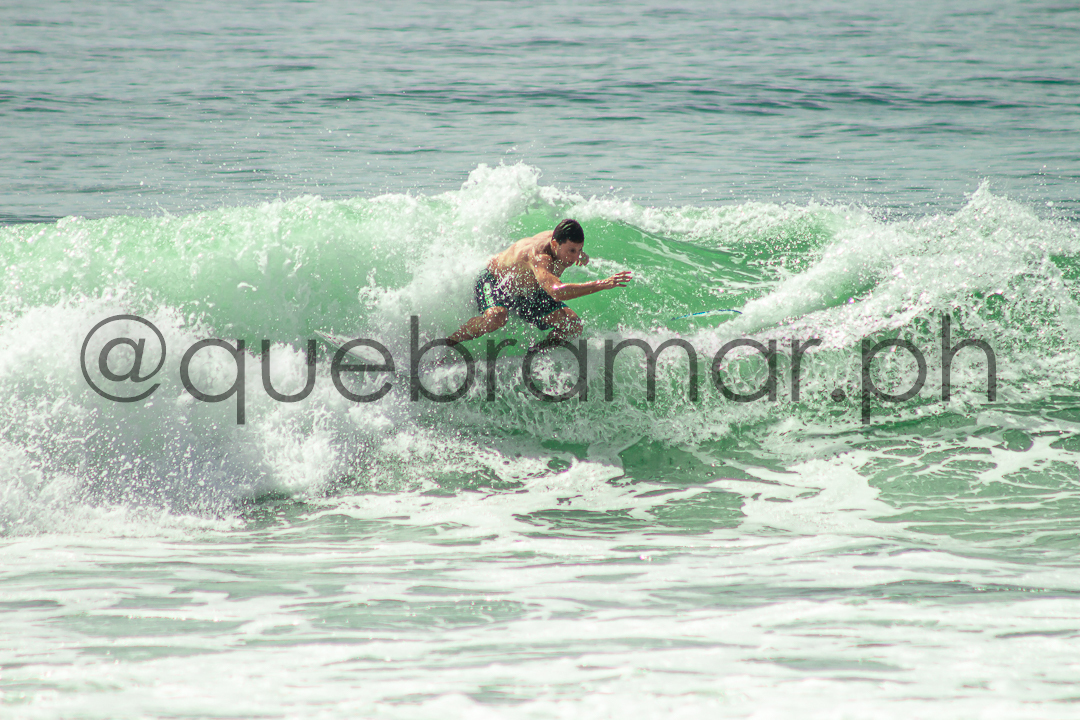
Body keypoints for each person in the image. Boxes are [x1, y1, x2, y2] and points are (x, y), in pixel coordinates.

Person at [447, 219, 632, 354]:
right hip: (496, 283)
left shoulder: (558, 240)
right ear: (555, 244)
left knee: (573, 326)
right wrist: (602, 284)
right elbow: (557, 292)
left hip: (528, 292)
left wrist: (579, 253)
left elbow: (566, 250)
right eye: (571, 251)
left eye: (579, 250)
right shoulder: (539, 257)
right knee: (496, 317)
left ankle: (535, 355)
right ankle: (448, 344)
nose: (575, 257)